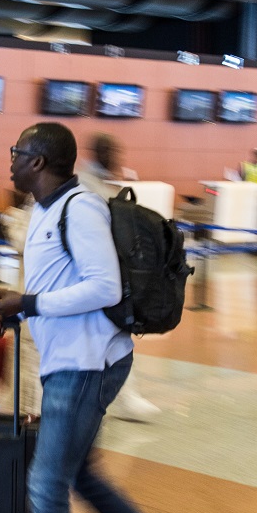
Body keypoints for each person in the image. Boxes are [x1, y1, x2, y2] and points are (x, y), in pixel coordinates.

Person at [0, 123, 196, 513]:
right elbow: (60, 286)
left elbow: (104, 286)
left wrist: (28, 304)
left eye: (17, 152)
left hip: (86, 364)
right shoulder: (45, 211)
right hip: (69, 356)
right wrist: (15, 309)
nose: (9, 160)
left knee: (46, 482)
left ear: (39, 161)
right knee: (81, 477)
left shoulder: (82, 208)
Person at [76, 132, 161, 423]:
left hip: (103, 279)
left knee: (115, 338)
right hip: (89, 281)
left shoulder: (97, 181)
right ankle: (120, 400)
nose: (116, 158)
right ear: (99, 152)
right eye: (110, 151)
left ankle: (125, 398)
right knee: (109, 337)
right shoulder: (85, 183)